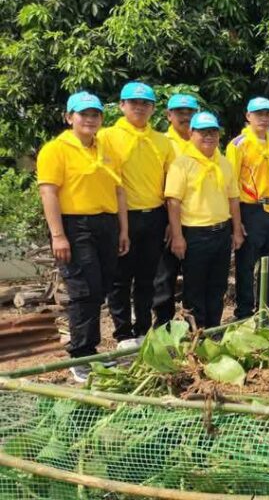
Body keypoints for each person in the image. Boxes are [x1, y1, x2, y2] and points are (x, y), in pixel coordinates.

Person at [38, 92, 129, 382]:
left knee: (100, 288)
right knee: (83, 290)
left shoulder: (106, 149)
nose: (90, 119)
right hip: (75, 226)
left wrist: (123, 229)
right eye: (83, 114)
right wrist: (58, 235)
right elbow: (48, 192)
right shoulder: (56, 150)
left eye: (95, 114)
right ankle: (81, 354)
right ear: (69, 117)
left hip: (106, 223)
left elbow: (119, 192)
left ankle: (92, 350)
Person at [98, 81, 175, 349]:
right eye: (134, 103)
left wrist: (170, 221)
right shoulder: (106, 137)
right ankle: (122, 333)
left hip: (154, 216)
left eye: (145, 103)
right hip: (123, 217)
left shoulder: (162, 141)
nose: (139, 108)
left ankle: (142, 329)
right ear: (122, 105)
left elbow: (169, 182)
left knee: (147, 277)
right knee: (120, 278)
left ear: (153, 108)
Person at [165, 112, 244, 330]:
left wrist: (237, 231)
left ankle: (213, 330)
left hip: (221, 232)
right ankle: (196, 333)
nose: (208, 136)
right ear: (192, 133)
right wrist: (178, 236)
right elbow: (173, 202)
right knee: (195, 288)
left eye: (213, 132)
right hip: (195, 234)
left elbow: (233, 199)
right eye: (203, 132)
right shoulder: (182, 164)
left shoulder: (224, 163)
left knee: (217, 286)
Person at [226, 97, 269, 319]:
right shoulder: (238, 144)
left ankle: (265, 310)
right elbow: (231, 184)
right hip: (249, 211)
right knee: (246, 265)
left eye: (268, 114)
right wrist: (235, 222)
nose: (264, 118)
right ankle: (244, 313)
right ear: (248, 116)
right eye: (259, 114)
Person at [152, 93, 200, 326]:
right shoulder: (162, 143)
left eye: (190, 112)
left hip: (197, 219)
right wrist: (173, 223)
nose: (186, 117)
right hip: (169, 218)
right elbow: (158, 183)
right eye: (180, 112)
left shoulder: (202, 141)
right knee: (165, 274)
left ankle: (194, 325)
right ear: (168, 115)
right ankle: (164, 325)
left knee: (195, 274)